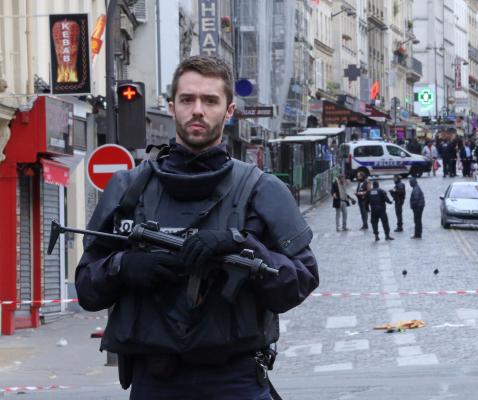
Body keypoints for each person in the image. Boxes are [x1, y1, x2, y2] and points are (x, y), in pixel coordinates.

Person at [75, 56, 319, 400]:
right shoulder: (128, 189)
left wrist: (242, 248)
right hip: (154, 382)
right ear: (172, 106)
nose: (198, 110)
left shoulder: (262, 190)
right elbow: (86, 288)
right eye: (188, 100)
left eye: (210, 100)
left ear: (229, 110)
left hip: (236, 381)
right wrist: (122, 268)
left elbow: (301, 281)